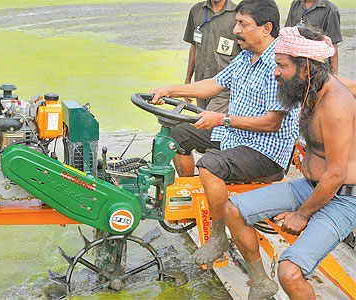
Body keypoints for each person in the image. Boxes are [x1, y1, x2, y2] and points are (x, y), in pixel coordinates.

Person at [150, 0, 298, 289]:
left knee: (210, 164)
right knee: (178, 133)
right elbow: (213, 84)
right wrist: (171, 89)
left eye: (242, 24)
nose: (235, 30)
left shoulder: (279, 64)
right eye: (237, 23)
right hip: (236, 138)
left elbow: (272, 123)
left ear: (266, 28)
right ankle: (200, 196)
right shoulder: (246, 56)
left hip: (266, 152)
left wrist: (222, 120)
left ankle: (218, 234)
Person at [223, 25, 356, 300]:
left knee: (290, 272)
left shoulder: (336, 105)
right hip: (310, 186)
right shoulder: (311, 87)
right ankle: (260, 282)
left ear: (305, 67)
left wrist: (302, 214)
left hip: (343, 197)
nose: (275, 72)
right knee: (232, 209)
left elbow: (336, 174)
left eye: (281, 66)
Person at [183, 0, 240, 112]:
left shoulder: (238, 14)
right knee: (203, 121)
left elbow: (247, 50)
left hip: (224, 87)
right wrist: (188, 79)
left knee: (208, 122)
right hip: (200, 83)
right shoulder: (196, 10)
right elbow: (194, 46)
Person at [285, 0, 342, 74]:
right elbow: (287, 35)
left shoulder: (331, 10)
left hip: (318, 69)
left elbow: (333, 47)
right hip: (296, 67)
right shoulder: (296, 4)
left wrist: (335, 75)